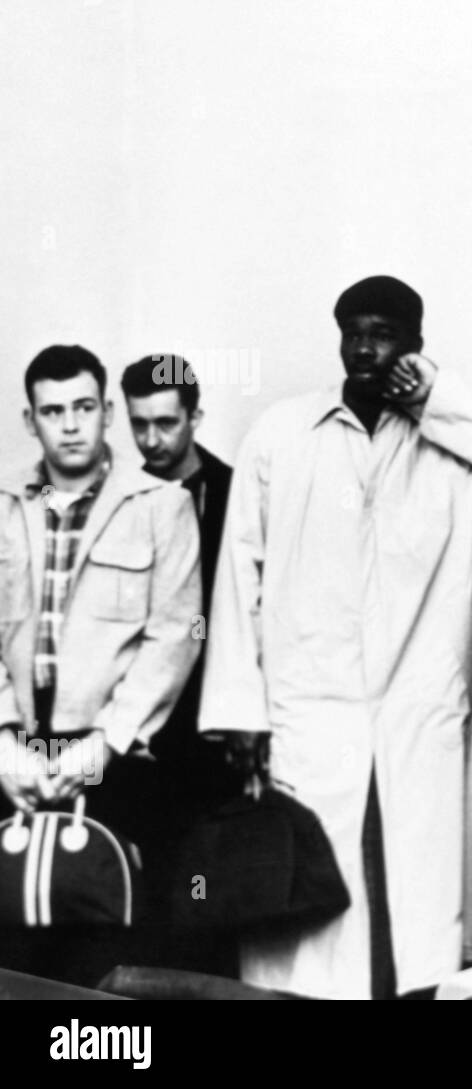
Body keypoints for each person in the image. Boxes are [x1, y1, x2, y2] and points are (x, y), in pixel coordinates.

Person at [199, 275, 472, 999]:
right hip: (307, 710)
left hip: (421, 712)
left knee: (418, 907)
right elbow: (237, 573)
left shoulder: (450, 444)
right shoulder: (282, 433)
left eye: (382, 332)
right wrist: (239, 709)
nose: (364, 346)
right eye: (352, 330)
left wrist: (435, 398)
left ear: (415, 346)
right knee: (309, 911)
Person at [0, 345, 201, 987]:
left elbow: (175, 640)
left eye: (84, 407)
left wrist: (95, 751)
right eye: (52, 410)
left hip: (113, 769)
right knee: (13, 962)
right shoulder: (4, 506)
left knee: (102, 976)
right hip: (16, 764)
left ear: (107, 411)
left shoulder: (161, 506)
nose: (70, 424)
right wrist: (7, 741)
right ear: (30, 420)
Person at [120, 355, 240, 972]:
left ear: (196, 416)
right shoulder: (122, 499)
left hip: (214, 728)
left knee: (210, 892)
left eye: (165, 423)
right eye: (138, 424)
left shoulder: (238, 491)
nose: (150, 440)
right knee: (144, 894)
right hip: (139, 734)